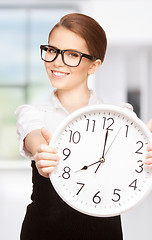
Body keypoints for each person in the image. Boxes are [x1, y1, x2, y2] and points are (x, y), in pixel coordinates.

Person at [15, 13, 152, 240]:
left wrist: (146, 158)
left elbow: (133, 170)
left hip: (104, 233)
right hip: (42, 232)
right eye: (52, 50)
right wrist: (42, 152)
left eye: (72, 54)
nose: (57, 62)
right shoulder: (32, 113)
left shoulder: (121, 115)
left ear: (94, 66)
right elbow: (35, 137)